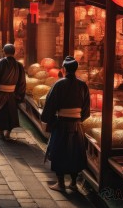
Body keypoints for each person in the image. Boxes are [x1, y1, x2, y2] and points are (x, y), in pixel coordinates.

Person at [41, 56, 90, 192]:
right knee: (75, 153)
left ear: (63, 69)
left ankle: (61, 183)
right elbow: (86, 110)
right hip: (77, 125)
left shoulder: (59, 84)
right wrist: (78, 119)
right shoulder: (83, 85)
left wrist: (50, 120)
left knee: (59, 152)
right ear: (76, 69)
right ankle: (74, 183)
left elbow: (49, 105)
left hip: (62, 123)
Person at [0, 44, 26, 140]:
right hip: (12, 93)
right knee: (10, 114)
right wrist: (19, 94)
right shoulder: (19, 65)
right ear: (14, 52)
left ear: (4, 52)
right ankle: (7, 133)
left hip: (0, 92)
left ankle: (1, 131)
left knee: (0, 112)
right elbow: (22, 82)